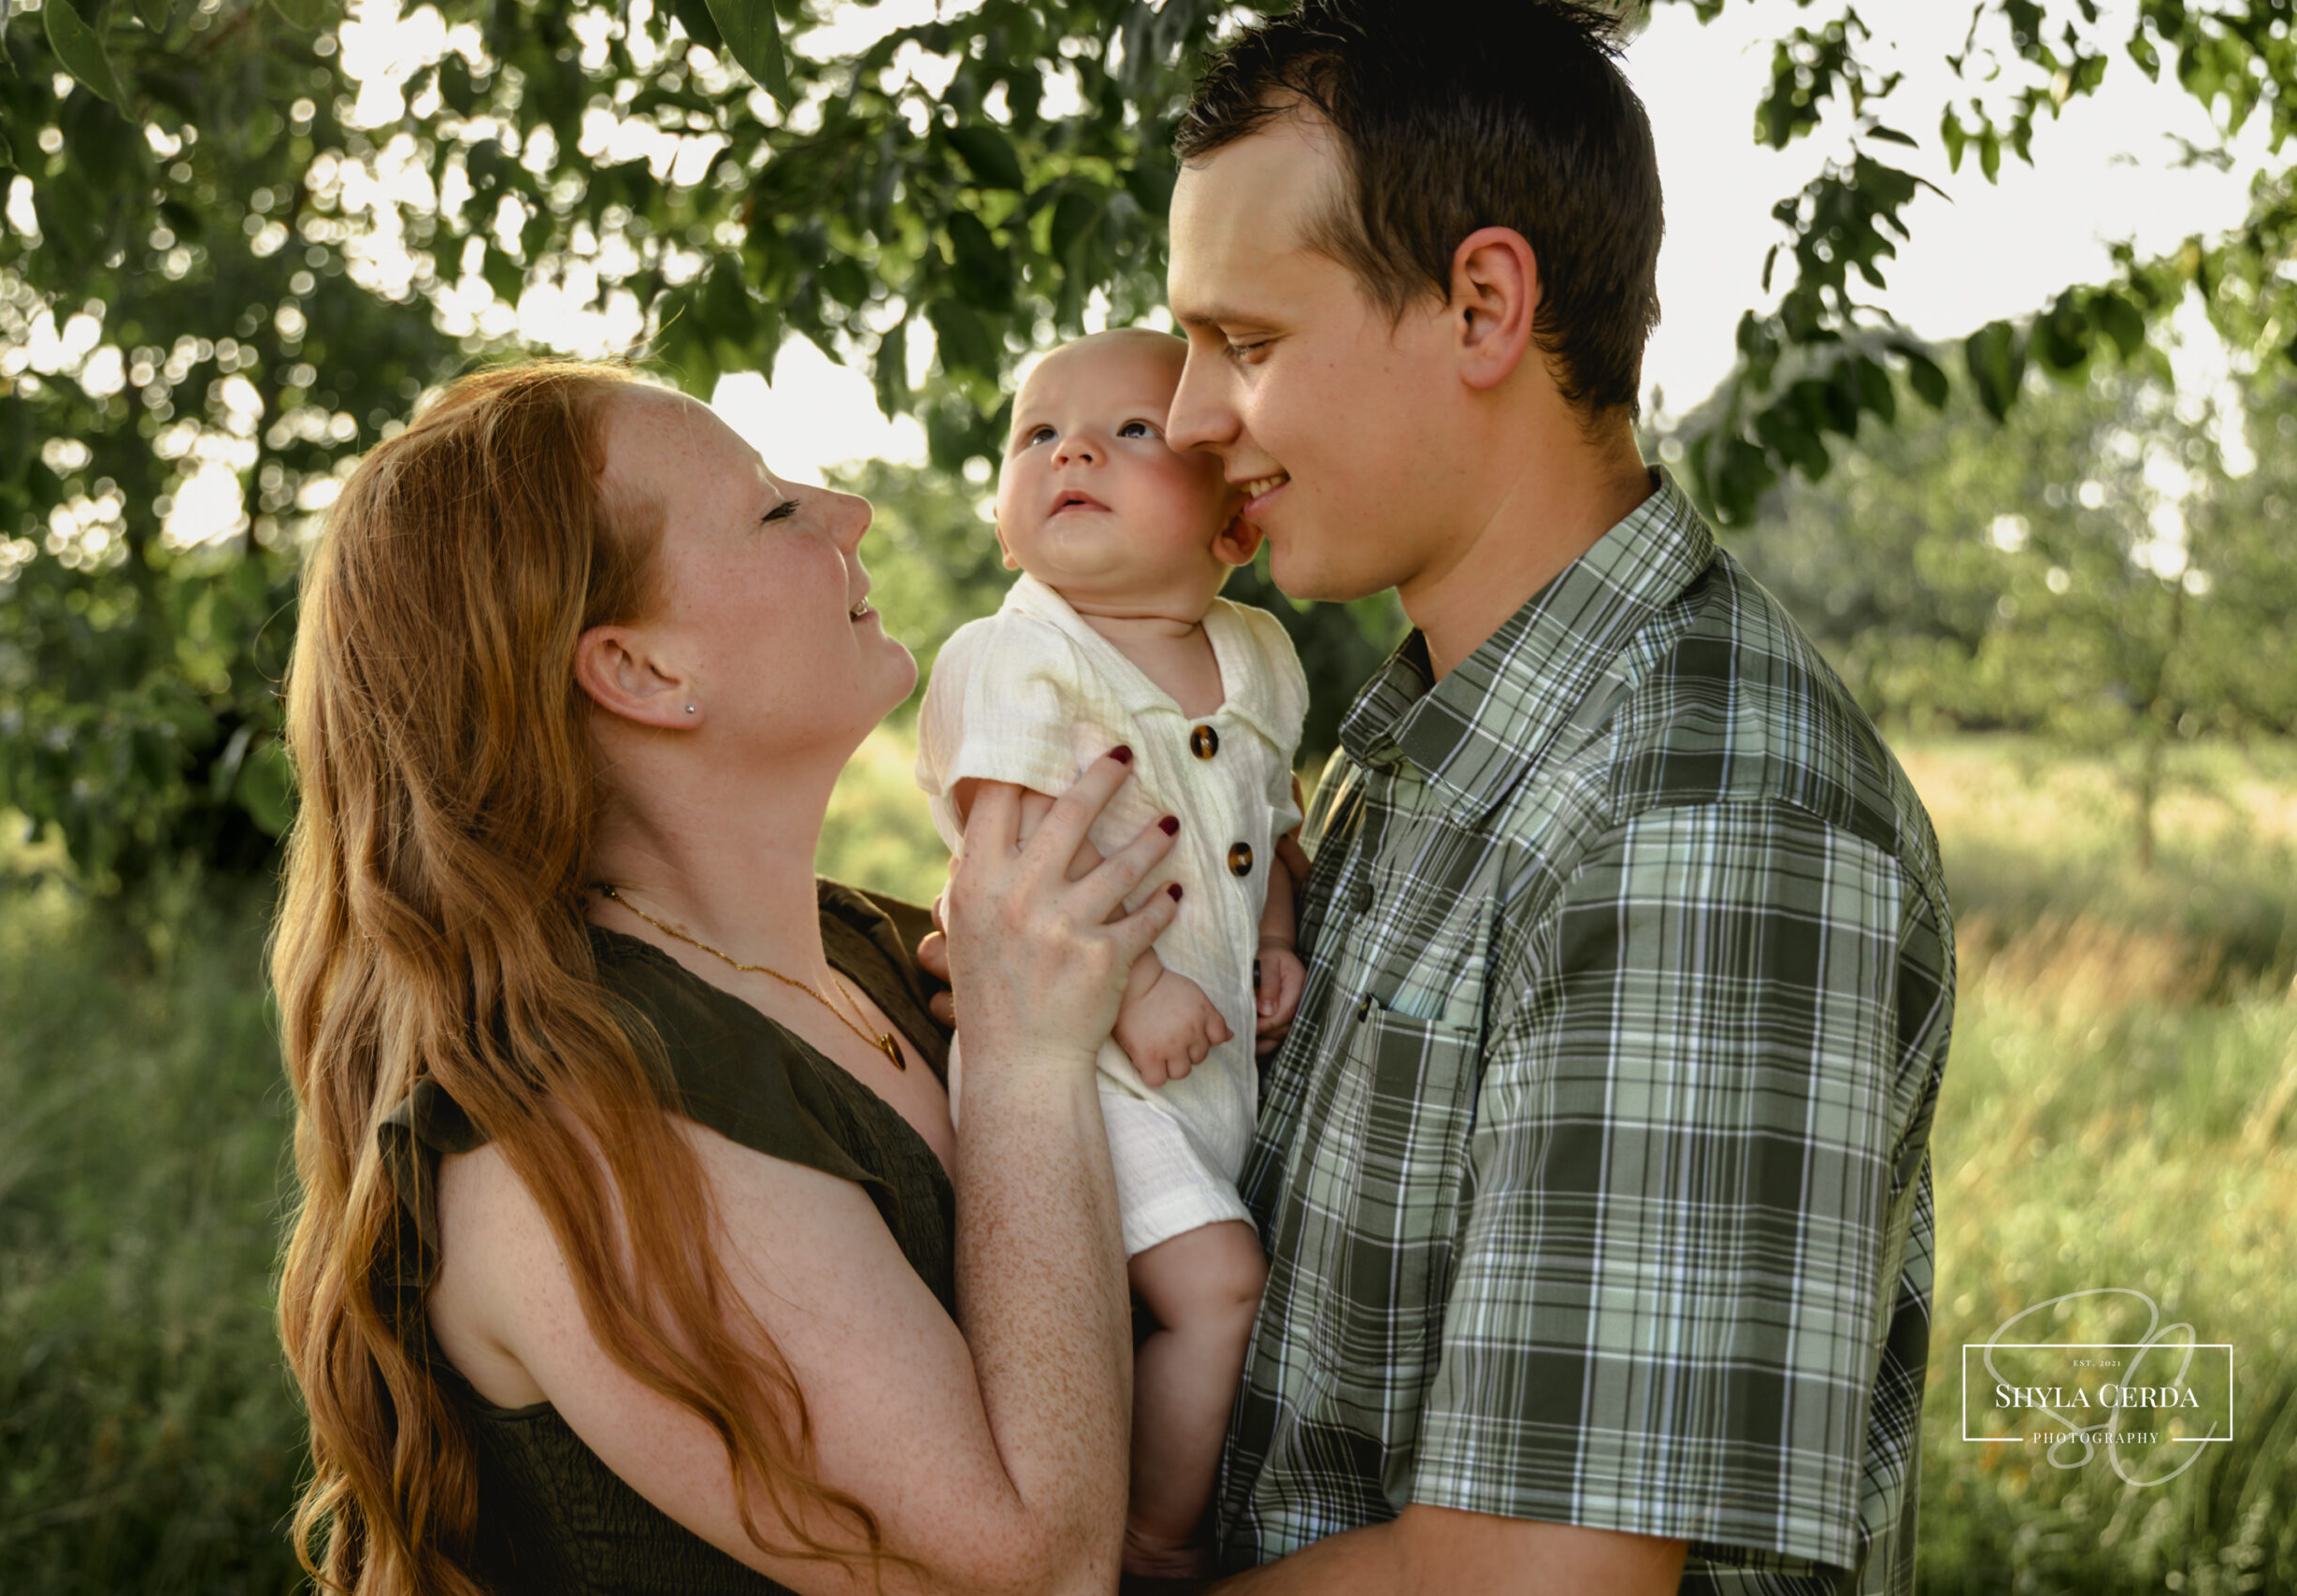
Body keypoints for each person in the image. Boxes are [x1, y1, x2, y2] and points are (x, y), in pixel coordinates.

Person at [1156, 1, 1956, 1590]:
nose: (1185, 420)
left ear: (1482, 307)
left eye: (1244, 345)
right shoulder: (1429, 744)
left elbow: (1532, 1581)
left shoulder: (1707, 824)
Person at [272, 360, 1185, 1595]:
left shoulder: (875, 953)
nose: (848, 513)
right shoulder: (576, 1127)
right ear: (642, 672)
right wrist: (1030, 1063)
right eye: (772, 508)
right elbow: (1029, 1575)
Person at [912, 329, 1310, 1580]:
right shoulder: (1020, 655)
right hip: (1075, 1065)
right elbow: (1008, 873)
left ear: (1234, 524)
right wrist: (1132, 989)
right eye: (1037, 436)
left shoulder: (1258, 657)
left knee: (1202, 1292)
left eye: (1133, 430)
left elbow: (1270, 832)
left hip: (1204, 1075)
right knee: (1223, 1294)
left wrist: (1278, 943)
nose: (1073, 448)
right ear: (1005, 520)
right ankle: (1150, 1542)